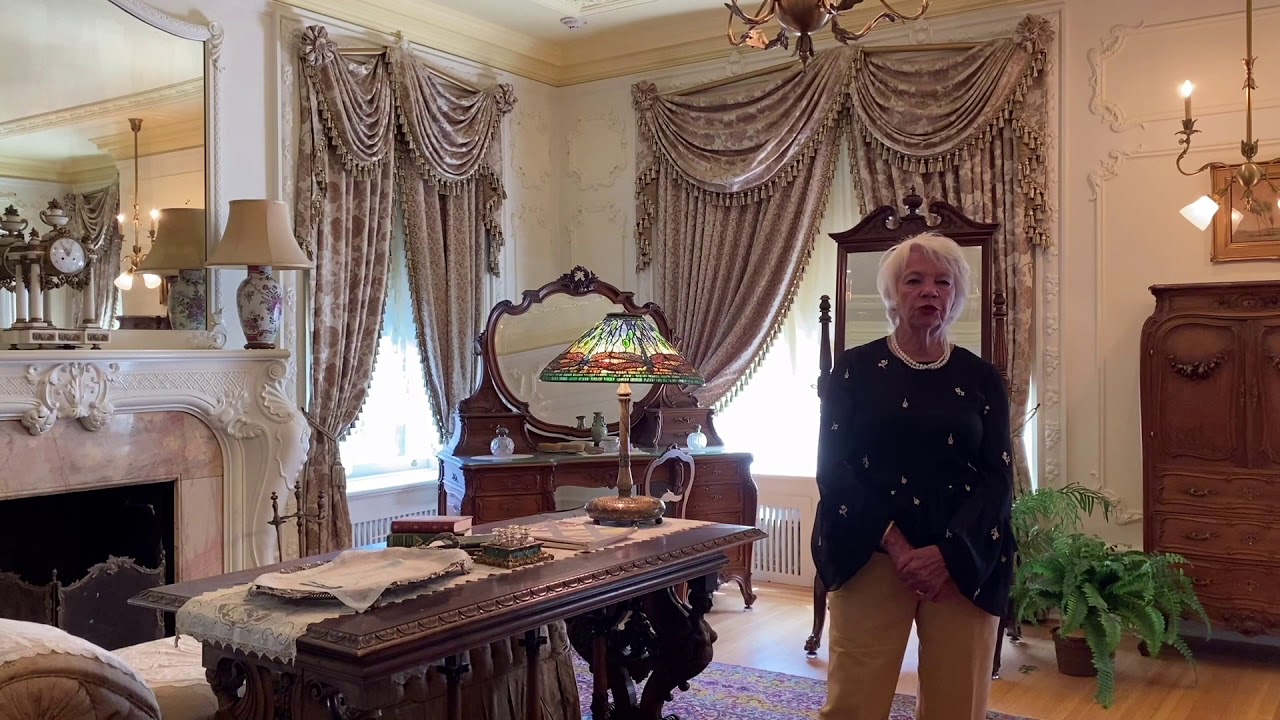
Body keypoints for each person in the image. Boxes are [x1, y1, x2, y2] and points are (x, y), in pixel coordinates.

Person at [813, 231, 1016, 720]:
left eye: (943, 282)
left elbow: (998, 476)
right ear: (892, 294)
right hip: (871, 550)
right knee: (854, 704)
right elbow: (834, 468)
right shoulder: (854, 371)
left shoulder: (981, 378)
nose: (930, 291)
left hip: (963, 558)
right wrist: (901, 547)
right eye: (915, 280)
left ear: (956, 296)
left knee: (957, 705)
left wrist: (948, 554)